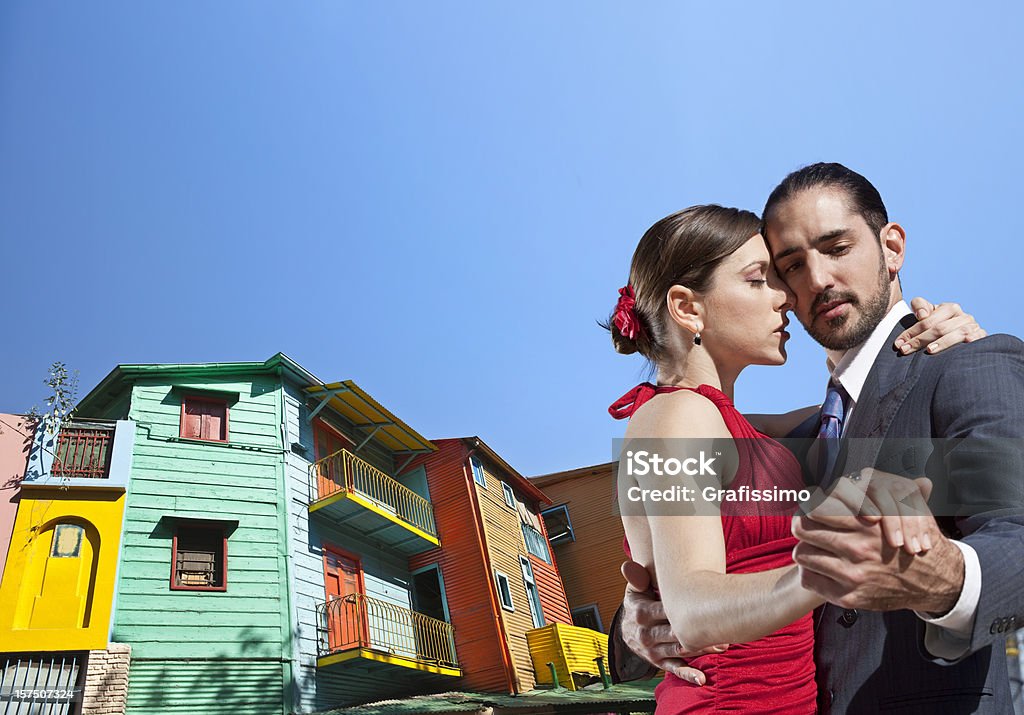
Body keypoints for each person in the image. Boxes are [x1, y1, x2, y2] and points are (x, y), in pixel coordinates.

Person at [610, 163, 1024, 714]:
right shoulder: (726, 426)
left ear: (892, 247)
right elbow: (685, 571)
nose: (811, 283)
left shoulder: (961, 365)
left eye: (837, 247)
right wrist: (637, 615)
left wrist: (949, 580)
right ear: (688, 307)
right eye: (785, 269)